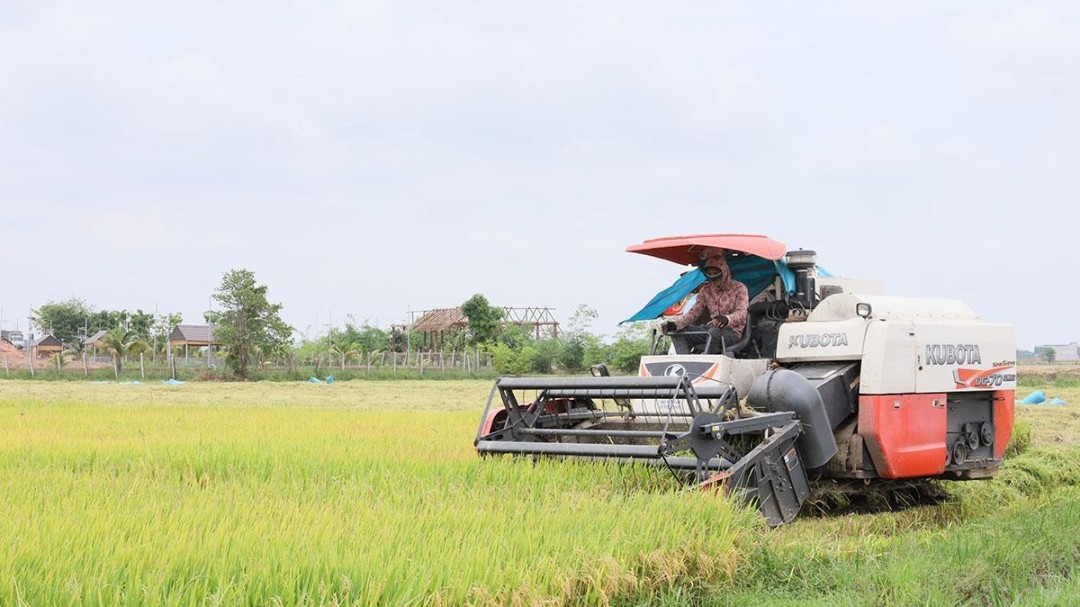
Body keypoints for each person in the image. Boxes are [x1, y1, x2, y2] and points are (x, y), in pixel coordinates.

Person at [661, 248, 748, 354]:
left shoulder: (739, 288)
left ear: (724, 270)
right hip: (710, 329)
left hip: (732, 332)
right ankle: (684, 361)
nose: (712, 275)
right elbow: (693, 313)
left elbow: (742, 313)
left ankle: (708, 361)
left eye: (715, 272)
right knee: (677, 332)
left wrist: (727, 319)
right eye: (709, 273)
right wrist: (675, 324)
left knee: (714, 333)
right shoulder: (706, 291)